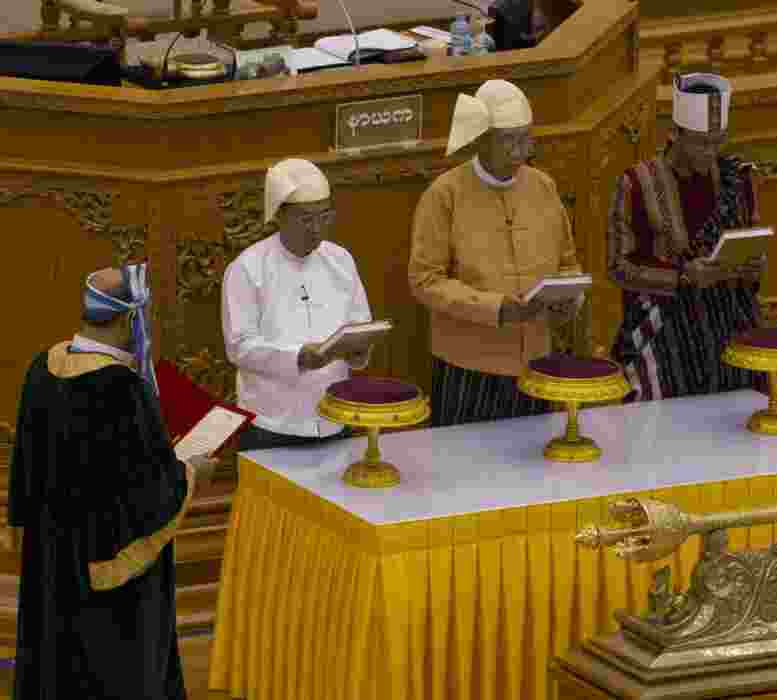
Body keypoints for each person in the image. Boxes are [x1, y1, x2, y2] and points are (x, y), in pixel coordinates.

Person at [8, 263, 218, 699]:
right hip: (109, 574)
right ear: (128, 319)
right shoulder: (123, 390)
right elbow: (146, 496)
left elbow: (25, 468)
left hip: (51, 557)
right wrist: (191, 472)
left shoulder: (41, 367)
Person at [409, 79, 582, 427]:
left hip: (536, 358)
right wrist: (496, 309)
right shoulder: (445, 194)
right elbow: (425, 281)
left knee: (535, 469)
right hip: (468, 365)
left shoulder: (542, 186)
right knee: (465, 470)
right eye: (509, 141)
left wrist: (569, 298)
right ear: (481, 139)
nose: (521, 152)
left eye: (526, 138)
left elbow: (568, 263)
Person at [607, 73, 765, 401]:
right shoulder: (636, 183)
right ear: (674, 135)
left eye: (718, 141)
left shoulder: (737, 177)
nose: (711, 152)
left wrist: (753, 268)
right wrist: (683, 277)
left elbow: (751, 242)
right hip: (664, 331)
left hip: (729, 323)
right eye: (700, 142)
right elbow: (619, 267)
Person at [223, 158, 374, 450]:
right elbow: (239, 347)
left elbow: (360, 326)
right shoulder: (247, 268)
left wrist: (359, 351)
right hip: (272, 423)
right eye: (306, 219)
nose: (317, 229)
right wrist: (298, 358)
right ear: (279, 216)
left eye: (325, 217)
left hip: (335, 416)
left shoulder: (340, 260)